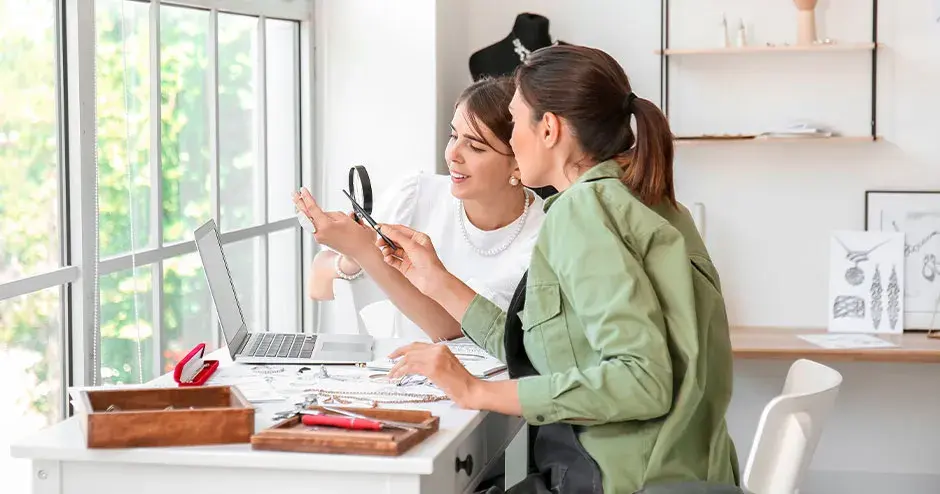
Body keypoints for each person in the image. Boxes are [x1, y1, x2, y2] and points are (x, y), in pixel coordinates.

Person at [372, 45, 740, 493]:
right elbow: (538, 348)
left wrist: (475, 391)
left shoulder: (584, 213)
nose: (511, 142)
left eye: (515, 122)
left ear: (548, 128)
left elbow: (642, 381)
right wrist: (434, 278)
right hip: (681, 471)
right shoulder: (640, 196)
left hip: (624, 477)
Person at [294, 76, 546, 342]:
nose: (453, 154)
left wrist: (365, 250)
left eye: (474, 146)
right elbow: (317, 285)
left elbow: (452, 329)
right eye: (453, 136)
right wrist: (350, 259)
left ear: (518, 163)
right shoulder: (417, 194)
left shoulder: (543, 238)